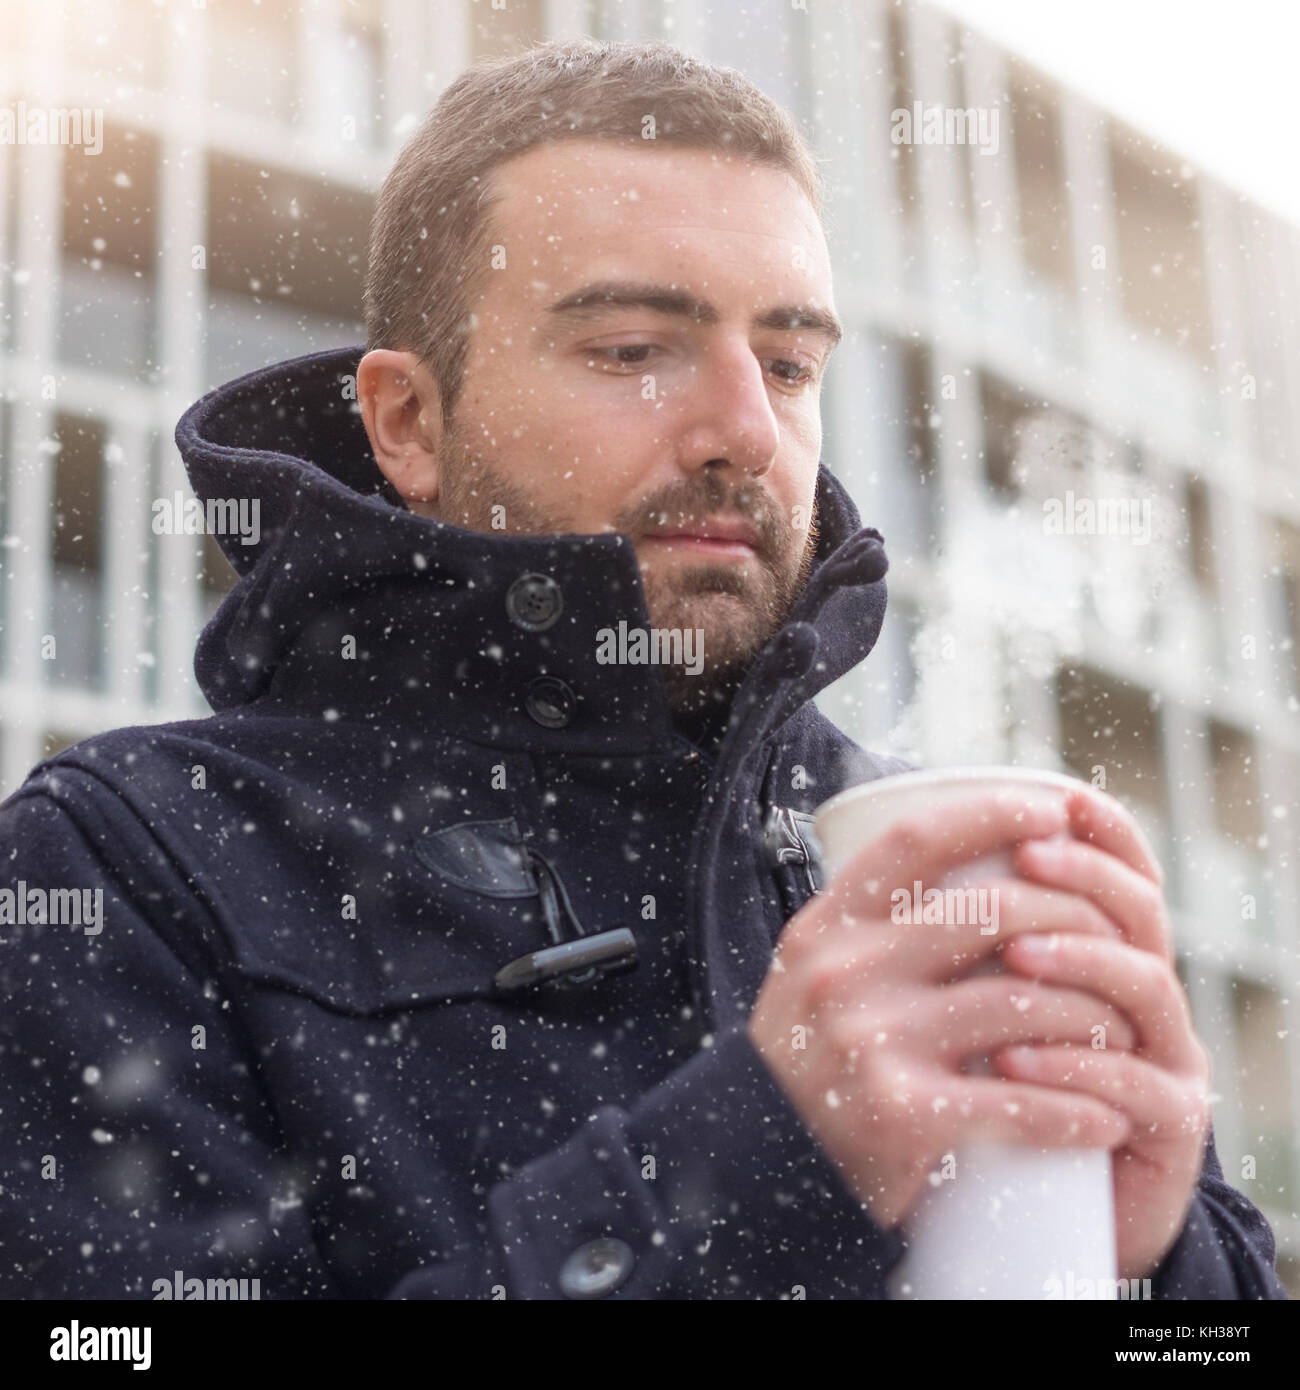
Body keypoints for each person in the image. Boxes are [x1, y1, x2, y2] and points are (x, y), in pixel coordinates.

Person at [0, 37, 1286, 1301]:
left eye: (788, 364)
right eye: (631, 348)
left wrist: (1165, 1263)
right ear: (408, 422)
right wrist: (754, 1166)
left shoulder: (917, 862)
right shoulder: (126, 864)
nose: (745, 429)